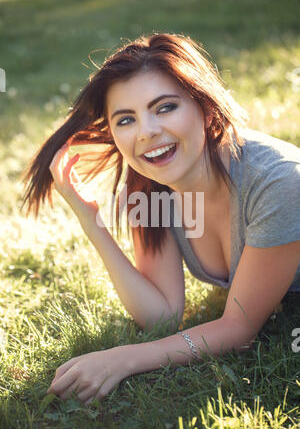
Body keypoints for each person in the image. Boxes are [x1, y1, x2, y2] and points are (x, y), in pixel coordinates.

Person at [21, 33, 300, 406]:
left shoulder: (278, 182)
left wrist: (122, 359)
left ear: (205, 106)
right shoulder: (151, 185)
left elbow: (239, 328)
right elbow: (162, 317)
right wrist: (91, 221)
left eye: (165, 107)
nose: (147, 132)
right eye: (126, 119)